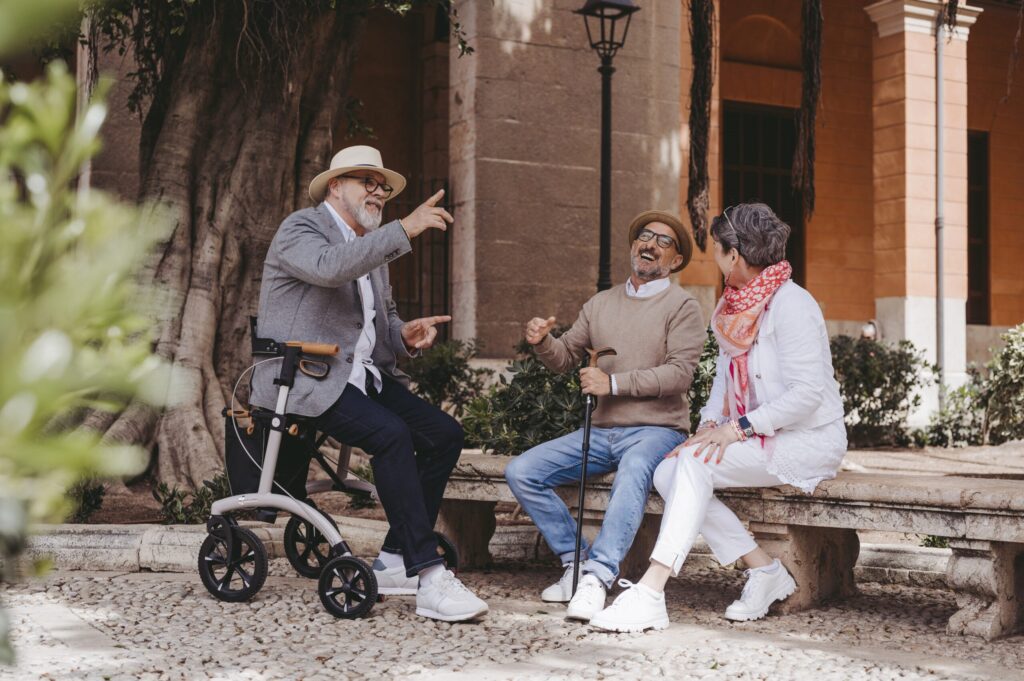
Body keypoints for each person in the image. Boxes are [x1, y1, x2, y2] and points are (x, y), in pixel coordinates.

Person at [250, 145, 488, 622]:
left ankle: (397, 558)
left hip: (360, 377)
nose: (378, 193)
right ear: (335, 185)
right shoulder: (300, 228)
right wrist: (406, 229)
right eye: (367, 182)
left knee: (444, 435)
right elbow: (329, 268)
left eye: (383, 187)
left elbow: (382, 322)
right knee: (392, 436)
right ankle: (429, 577)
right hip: (303, 378)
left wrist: (404, 335)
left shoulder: (373, 249)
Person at [589, 202, 847, 633]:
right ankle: (764, 571)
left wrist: (738, 428)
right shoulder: (731, 307)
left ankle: (652, 590)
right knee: (669, 471)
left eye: (719, 250)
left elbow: (807, 395)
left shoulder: (792, 305)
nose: (716, 258)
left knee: (690, 466)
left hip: (805, 439)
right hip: (754, 435)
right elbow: (725, 383)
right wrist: (710, 426)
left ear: (736, 253)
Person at [505, 211, 707, 622]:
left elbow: (680, 374)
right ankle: (575, 564)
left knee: (634, 470)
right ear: (633, 246)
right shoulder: (601, 303)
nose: (649, 244)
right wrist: (542, 341)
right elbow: (564, 359)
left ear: (677, 260)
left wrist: (613, 385)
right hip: (600, 432)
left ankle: (598, 577)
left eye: (663, 241)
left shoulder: (683, 305)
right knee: (522, 471)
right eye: (644, 237)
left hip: (656, 430)